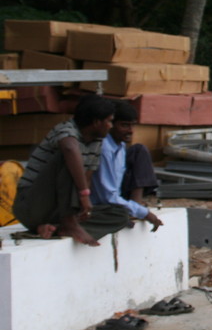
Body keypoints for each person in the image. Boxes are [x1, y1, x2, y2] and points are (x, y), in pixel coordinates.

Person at [13, 94, 130, 245]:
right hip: (31, 205)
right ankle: (69, 224)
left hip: (58, 210)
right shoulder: (65, 130)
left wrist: (83, 209)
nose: (110, 126)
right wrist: (83, 195)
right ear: (96, 122)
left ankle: (56, 228)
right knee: (69, 158)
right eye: (108, 121)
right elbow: (69, 148)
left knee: (120, 215)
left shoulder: (97, 141)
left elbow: (87, 177)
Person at [92, 102, 163, 230]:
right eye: (124, 125)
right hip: (101, 203)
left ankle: (135, 204)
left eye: (132, 125)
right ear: (110, 125)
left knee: (139, 150)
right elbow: (108, 196)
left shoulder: (121, 145)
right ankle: (132, 209)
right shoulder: (104, 149)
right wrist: (144, 213)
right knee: (120, 216)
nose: (130, 131)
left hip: (116, 196)